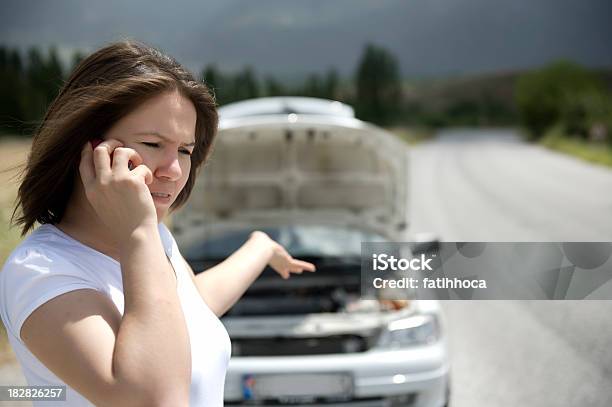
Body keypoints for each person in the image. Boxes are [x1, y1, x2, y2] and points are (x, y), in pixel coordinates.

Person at [0, 40, 316, 407]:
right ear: (86, 149)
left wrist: (260, 248)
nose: (176, 170)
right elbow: (155, 398)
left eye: (185, 150)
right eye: (152, 144)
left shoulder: (155, 241)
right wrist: (137, 232)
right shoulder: (42, 272)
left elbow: (193, 304)